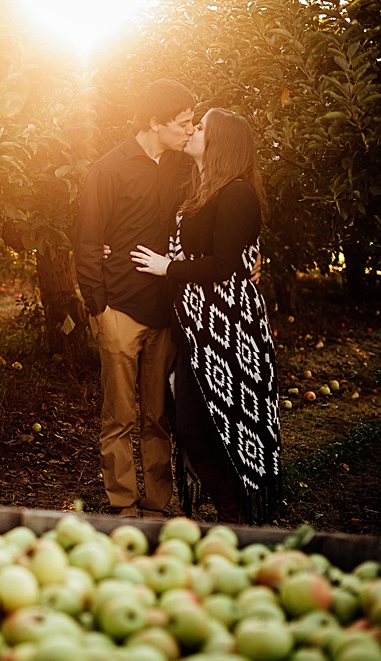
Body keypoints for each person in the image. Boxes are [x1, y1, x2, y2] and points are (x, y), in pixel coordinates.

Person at [130, 108, 282, 524]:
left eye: (201, 128)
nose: (193, 131)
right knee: (194, 426)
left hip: (230, 331)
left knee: (210, 428)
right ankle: (234, 515)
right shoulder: (200, 186)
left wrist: (168, 268)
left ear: (222, 143)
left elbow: (223, 265)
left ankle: (236, 517)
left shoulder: (237, 192)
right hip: (198, 330)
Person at [75, 79, 196, 519]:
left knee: (159, 417)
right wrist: (99, 308)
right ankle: (124, 505)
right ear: (154, 122)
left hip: (167, 312)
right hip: (120, 311)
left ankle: (159, 506)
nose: (190, 130)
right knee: (120, 417)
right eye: (183, 123)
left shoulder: (184, 169)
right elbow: (88, 243)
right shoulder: (109, 169)